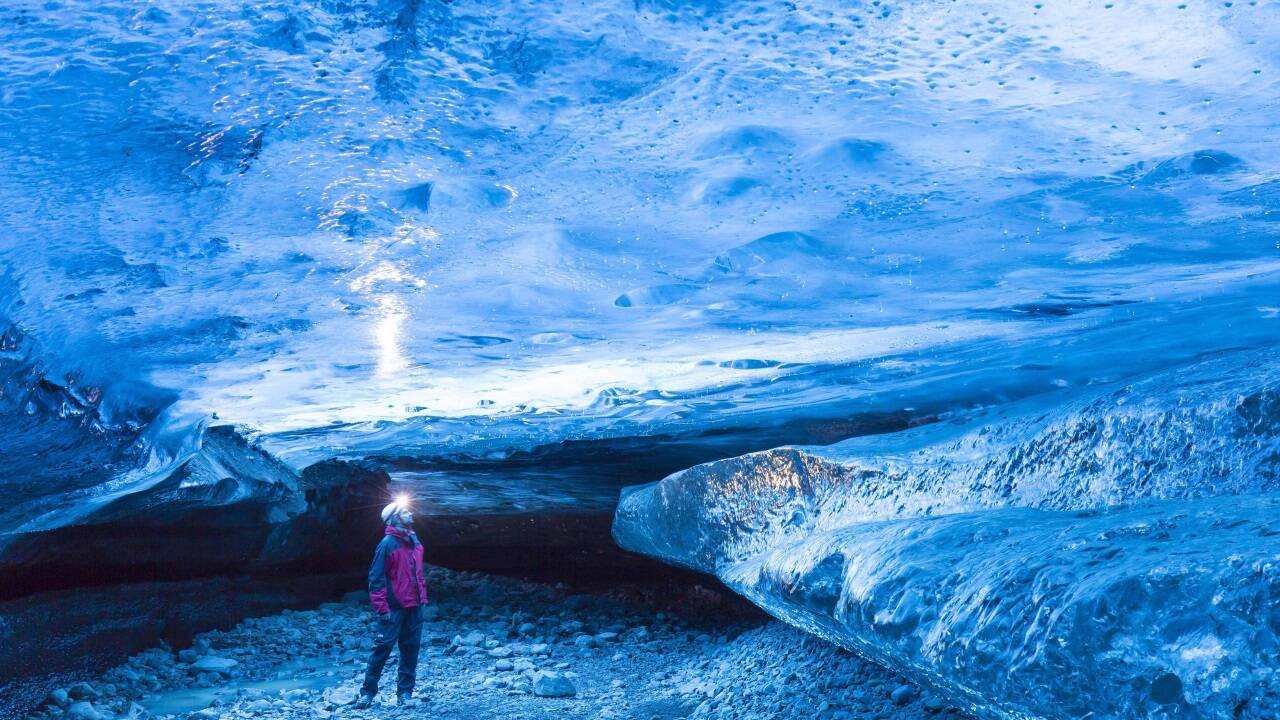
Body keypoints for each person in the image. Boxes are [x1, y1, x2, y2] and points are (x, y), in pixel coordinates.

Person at [356, 497, 429, 707]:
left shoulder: (414, 540)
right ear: (395, 518)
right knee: (383, 649)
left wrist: (422, 598)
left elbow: (417, 573)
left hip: (414, 606)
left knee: (410, 648)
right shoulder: (387, 544)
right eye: (406, 512)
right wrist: (381, 607)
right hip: (394, 607)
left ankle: (405, 694)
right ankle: (367, 693)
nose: (411, 514)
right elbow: (376, 577)